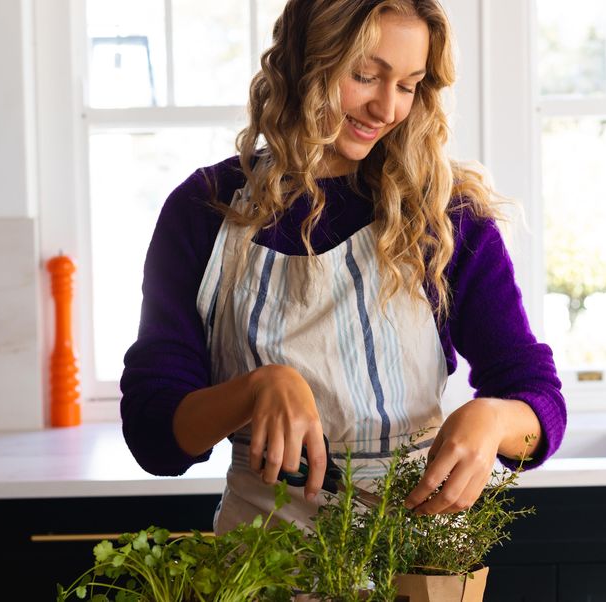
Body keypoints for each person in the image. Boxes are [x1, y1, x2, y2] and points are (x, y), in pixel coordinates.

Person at [120, 0, 566, 533]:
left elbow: (538, 399)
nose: (386, 109)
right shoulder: (205, 211)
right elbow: (154, 435)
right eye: (365, 76)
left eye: (407, 85)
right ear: (306, 63)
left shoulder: (445, 218)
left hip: (415, 564)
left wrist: (496, 419)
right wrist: (256, 388)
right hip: (259, 566)